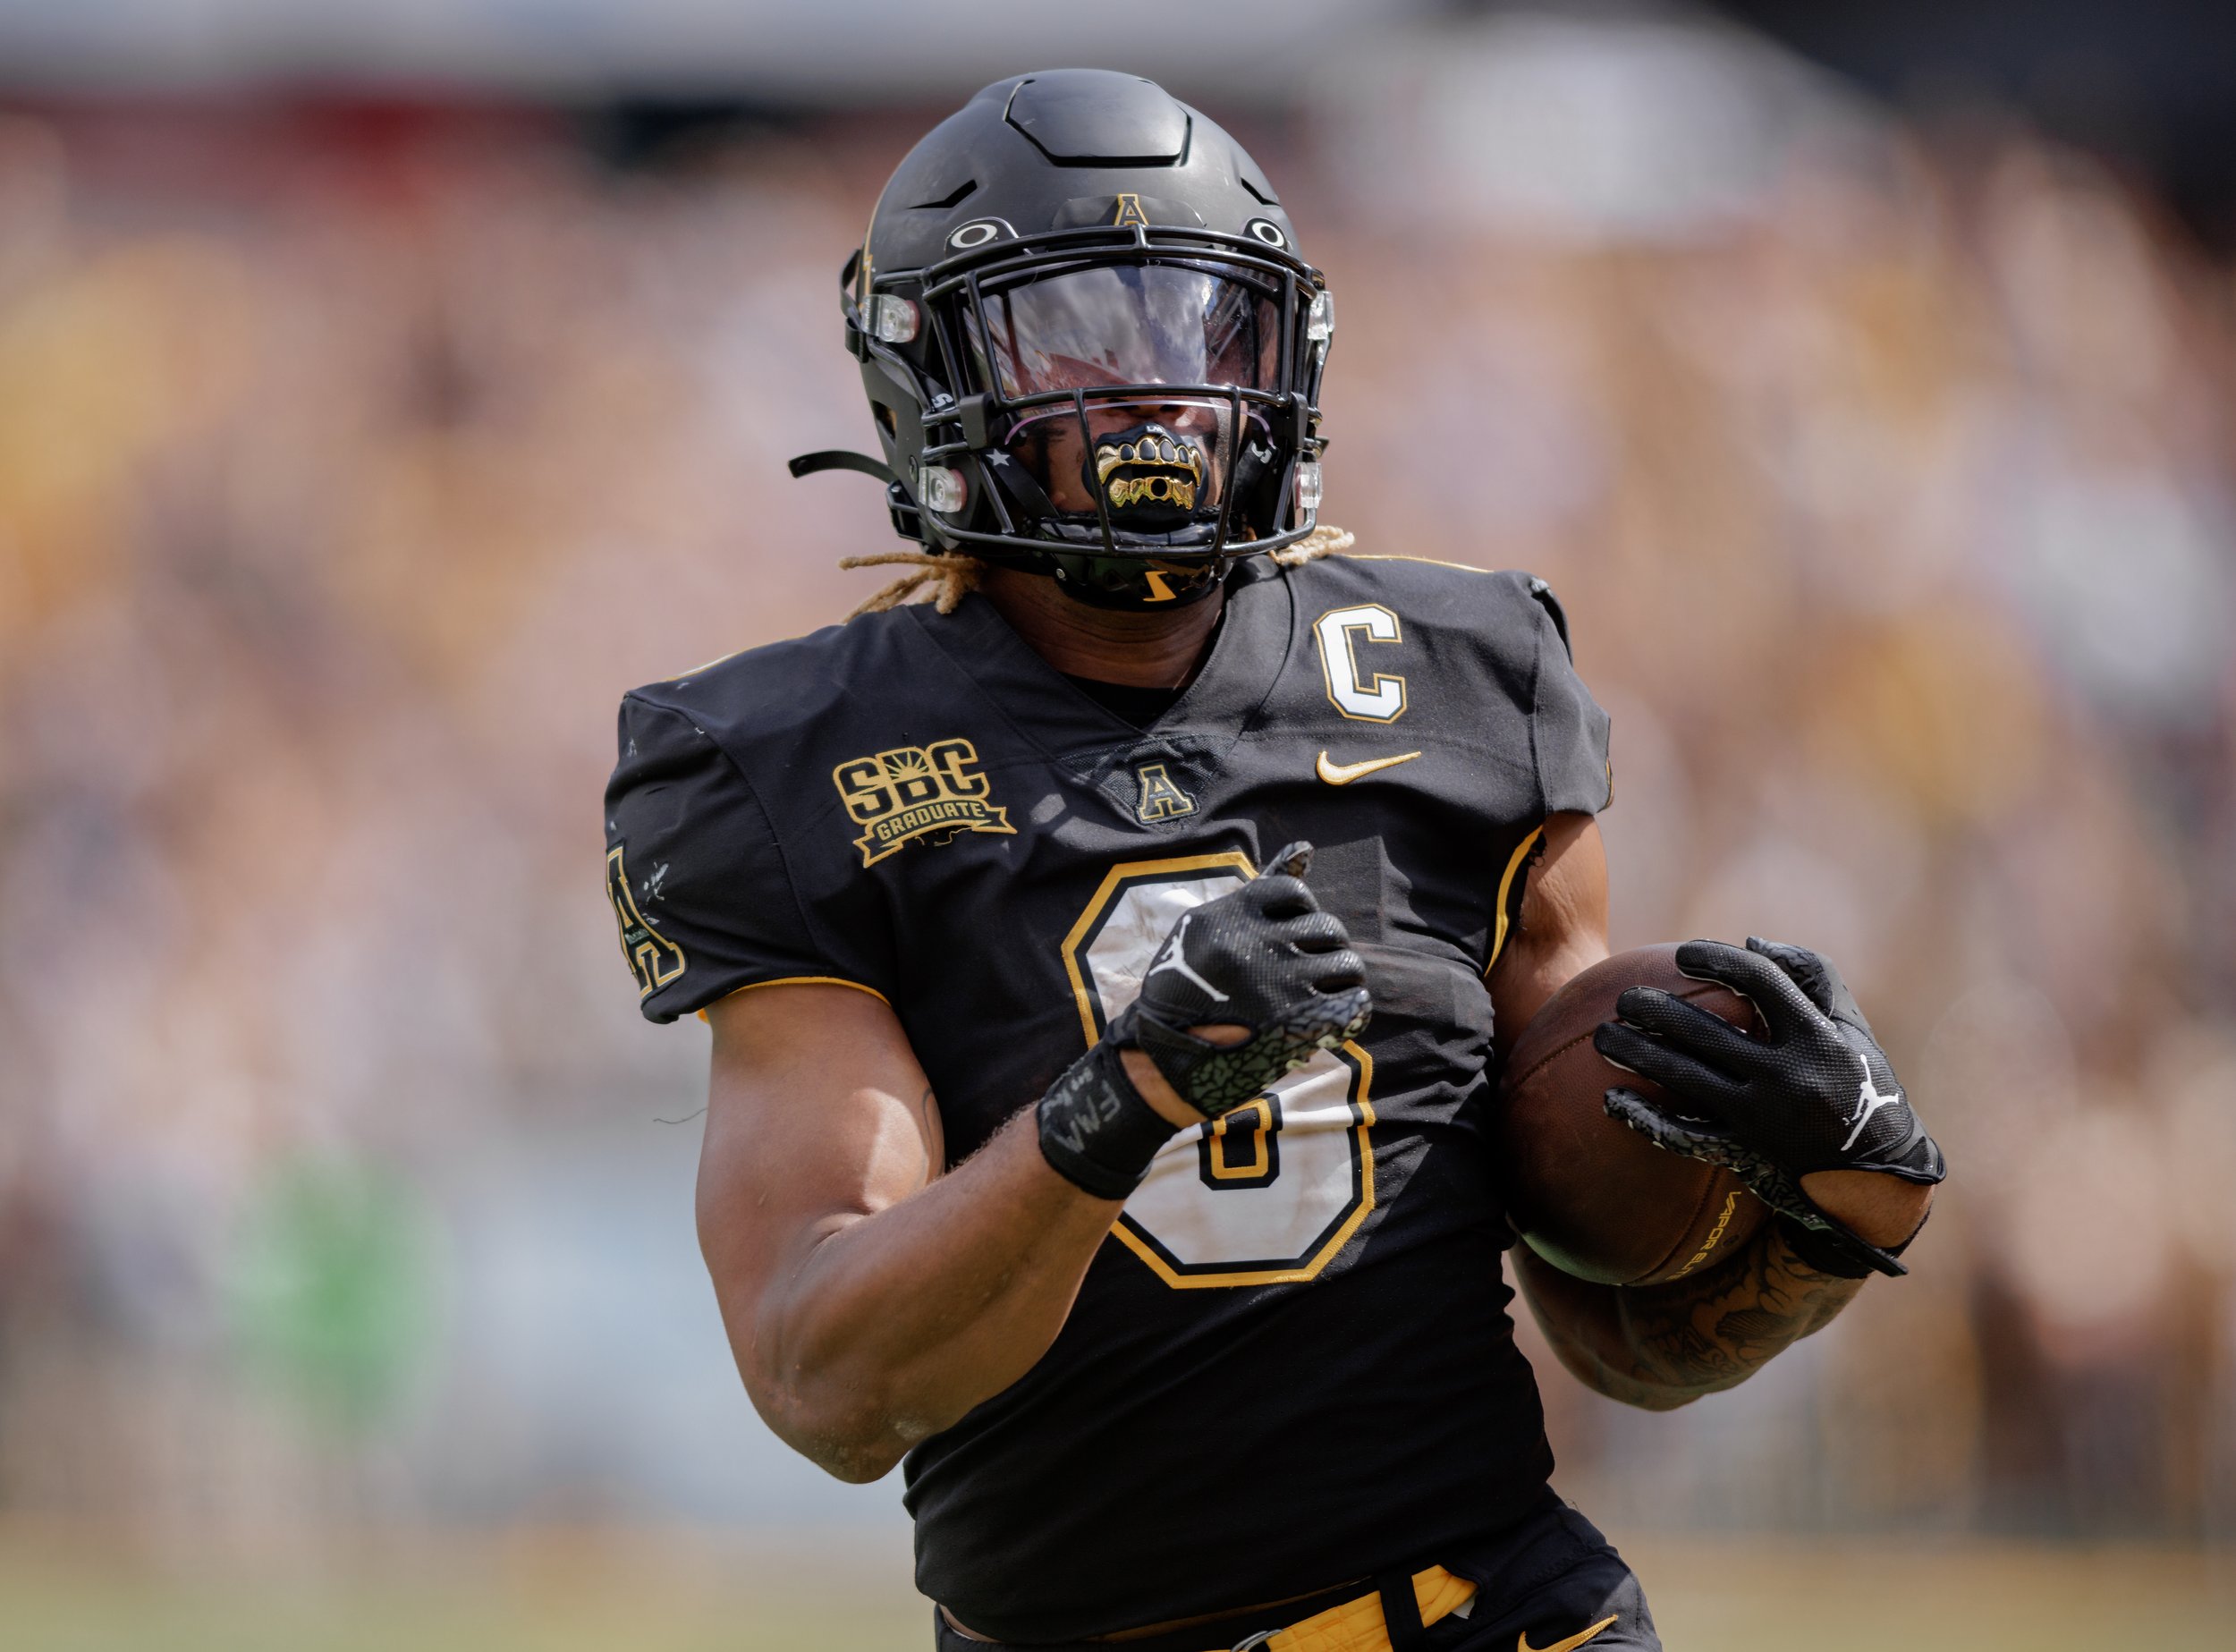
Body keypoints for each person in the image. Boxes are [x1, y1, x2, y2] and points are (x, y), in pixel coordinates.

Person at [602, 70, 1945, 1652]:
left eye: (1199, 329)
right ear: (931, 373)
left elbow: (1625, 1334)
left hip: (1493, 1613)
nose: (1159, 393)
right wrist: (1125, 1100)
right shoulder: (786, 755)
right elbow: (828, 1379)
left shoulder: (1467, 674)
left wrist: (1833, 1200)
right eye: (1080, 334)